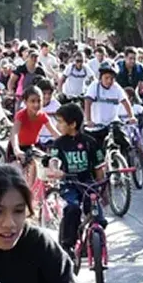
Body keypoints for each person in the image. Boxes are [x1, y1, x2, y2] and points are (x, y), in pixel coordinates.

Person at [49, 102, 106, 253]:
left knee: (97, 215)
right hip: (69, 183)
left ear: (72, 124)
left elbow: (99, 168)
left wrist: (102, 189)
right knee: (72, 209)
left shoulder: (90, 142)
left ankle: (94, 241)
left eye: (60, 122)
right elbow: (54, 160)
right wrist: (55, 170)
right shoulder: (59, 143)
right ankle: (68, 245)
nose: (58, 125)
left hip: (87, 183)